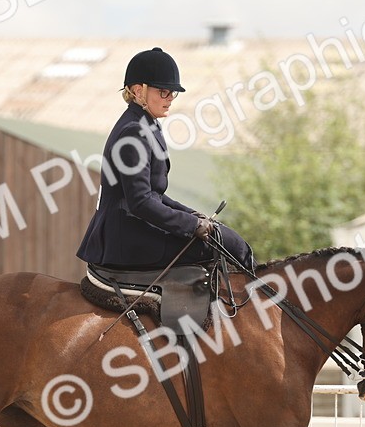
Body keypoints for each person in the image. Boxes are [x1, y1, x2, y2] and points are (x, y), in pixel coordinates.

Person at [76, 47, 255, 272]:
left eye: (172, 93)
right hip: (125, 236)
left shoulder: (147, 124)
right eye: (163, 92)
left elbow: (154, 194)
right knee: (226, 246)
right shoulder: (134, 131)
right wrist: (192, 225)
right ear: (138, 91)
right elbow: (141, 202)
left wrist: (191, 215)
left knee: (226, 238)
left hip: (133, 226)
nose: (170, 98)